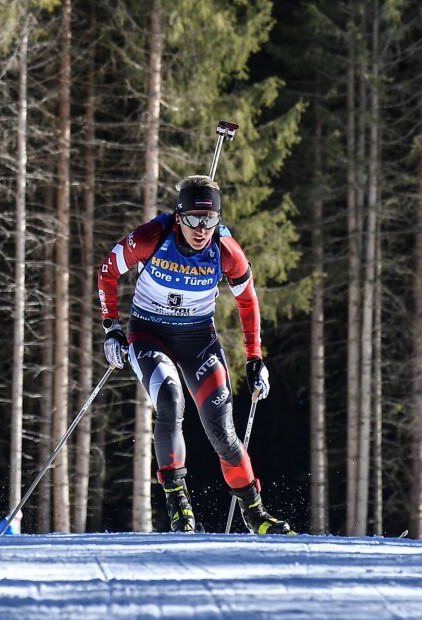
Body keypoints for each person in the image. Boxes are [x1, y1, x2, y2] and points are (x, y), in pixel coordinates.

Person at [97, 174, 290, 535]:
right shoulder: (151, 238)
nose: (201, 229)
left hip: (198, 340)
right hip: (149, 335)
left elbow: (248, 300)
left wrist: (254, 357)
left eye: (210, 220)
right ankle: (178, 506)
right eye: (193, 220)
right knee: (170, 401)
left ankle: (256, 514)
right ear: (179, 216)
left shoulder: (227, 251)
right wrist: (112, 328)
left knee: (221, 429)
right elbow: (108, 272)